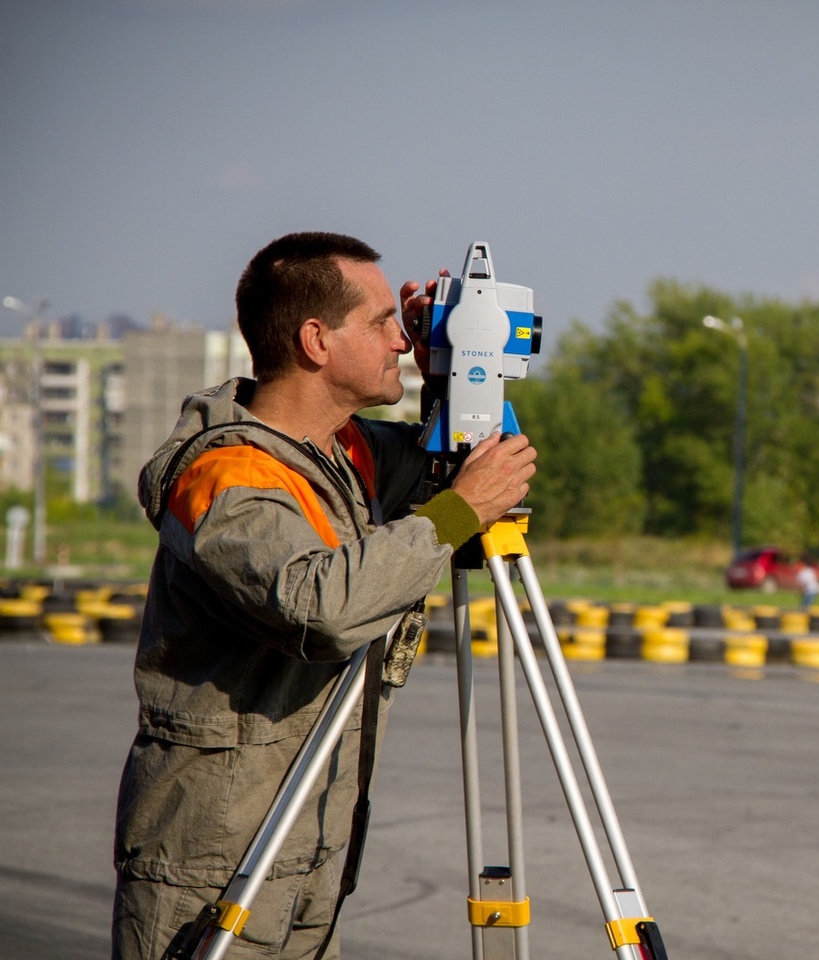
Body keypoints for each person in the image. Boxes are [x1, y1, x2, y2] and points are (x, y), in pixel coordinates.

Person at [110, 232, 537, 960]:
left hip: (307, 856)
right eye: (380, 323)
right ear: (316, 340)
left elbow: (463, 474)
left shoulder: (345, 453)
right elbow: (323, 605)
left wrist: (453, 366)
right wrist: (461, 507)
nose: (399, 338)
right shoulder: (227, 476)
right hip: (213, 862)